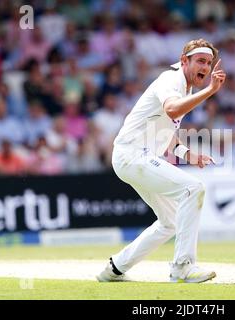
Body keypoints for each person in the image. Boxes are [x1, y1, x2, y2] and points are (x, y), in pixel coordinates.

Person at [97, 39, 226, 283]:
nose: (206, 68)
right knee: (193, 188)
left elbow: (166, 129)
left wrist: (188, 155)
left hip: (134, 157)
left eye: (209, 63)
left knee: (170, 222)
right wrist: (209, 91)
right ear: (183, 60)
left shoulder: (184, 88)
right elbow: (173, 111)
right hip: (132, 155)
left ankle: (115, 268)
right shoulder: (172, 80)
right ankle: (183, 267)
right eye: (200, 61)